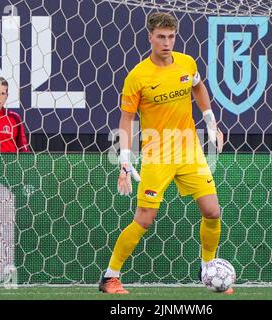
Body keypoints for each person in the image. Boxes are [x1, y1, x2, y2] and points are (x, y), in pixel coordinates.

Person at [99, 12, 232, 294]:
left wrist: (210, 123)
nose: (167, 42)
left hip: (189, 151)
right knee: (144, 218)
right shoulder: (137, 76)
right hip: (157, 154)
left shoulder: (186, 62)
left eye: (171, 37)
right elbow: (126, 118)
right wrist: (124, 159)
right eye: (161, 37)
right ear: (150, 37)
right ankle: (110, 276)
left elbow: (197, 86)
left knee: (212, 211)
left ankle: (207, 269)